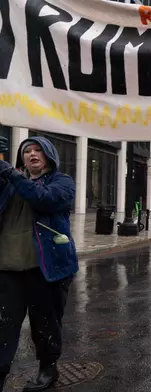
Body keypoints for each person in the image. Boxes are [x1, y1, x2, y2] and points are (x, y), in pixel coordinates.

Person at [0, 136, 78, 392]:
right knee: (4, 327)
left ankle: (48, 368)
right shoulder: (9, 184)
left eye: (38, 151)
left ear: (49, 156)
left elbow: (44, 199)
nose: (32, 155)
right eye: (26, 152)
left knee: (45, 323)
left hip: (46, 269)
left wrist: (12, 174)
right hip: (8, 269)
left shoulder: (62, 182)